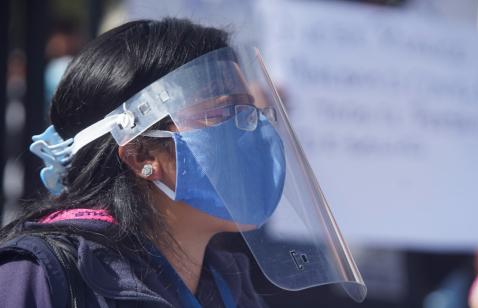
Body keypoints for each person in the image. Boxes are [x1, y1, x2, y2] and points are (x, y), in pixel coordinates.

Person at [0, 18, 366, 307]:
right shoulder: (41, 276)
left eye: (250, 110)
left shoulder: (229, 286)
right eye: (221, 111)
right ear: (141, 155)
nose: (250, 129)